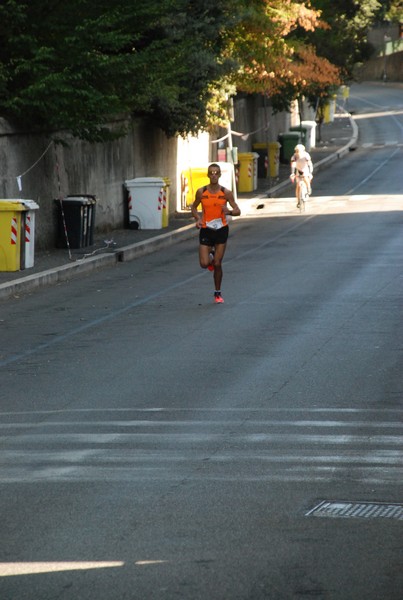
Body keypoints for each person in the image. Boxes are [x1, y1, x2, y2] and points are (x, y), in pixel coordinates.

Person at [191, 163, 241, 304]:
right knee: (204, 263)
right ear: (208, 175)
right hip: (206, 229)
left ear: (219, 175)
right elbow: (194, 207)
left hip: (221, 229)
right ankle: (210, 256)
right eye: (211, 172)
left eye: (216, 172)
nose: (213, 174)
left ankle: (217, 293)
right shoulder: (202, 192)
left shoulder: (226, 193)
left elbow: (238, 210)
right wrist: (198, 219)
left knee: (218, 264)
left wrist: (229, 211)